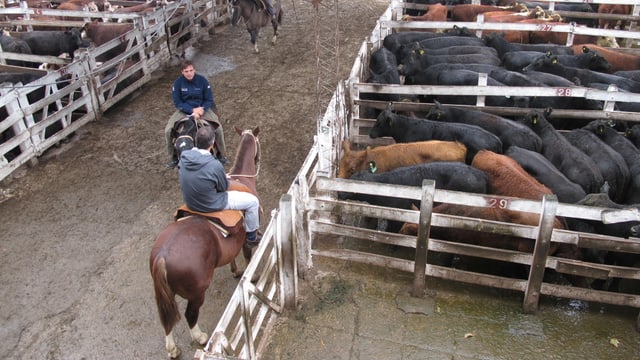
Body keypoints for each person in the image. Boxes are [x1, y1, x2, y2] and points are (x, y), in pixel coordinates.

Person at [178, 126, 261, 247]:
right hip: (211, 204)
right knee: (253, 202)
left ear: (196, 140)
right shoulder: (214, 164)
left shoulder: (184, 156)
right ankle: (252, 237)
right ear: (212, 143)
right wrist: (221, 177)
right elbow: (223, 187)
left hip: (190, 202)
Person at [165, 60, 228, 169]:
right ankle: (173, 157)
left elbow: (209, 99)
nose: (189, 73)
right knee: (168, 130)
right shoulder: (178, 83)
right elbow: (177, 102)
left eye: (191, 70)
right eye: (186, 71)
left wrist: (202, 109)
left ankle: (221, 154)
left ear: (194, 70)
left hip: (202, 109)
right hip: (185, 110)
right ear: (182, 72)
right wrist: (191, 110)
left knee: (219, 129)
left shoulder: (202, 81)